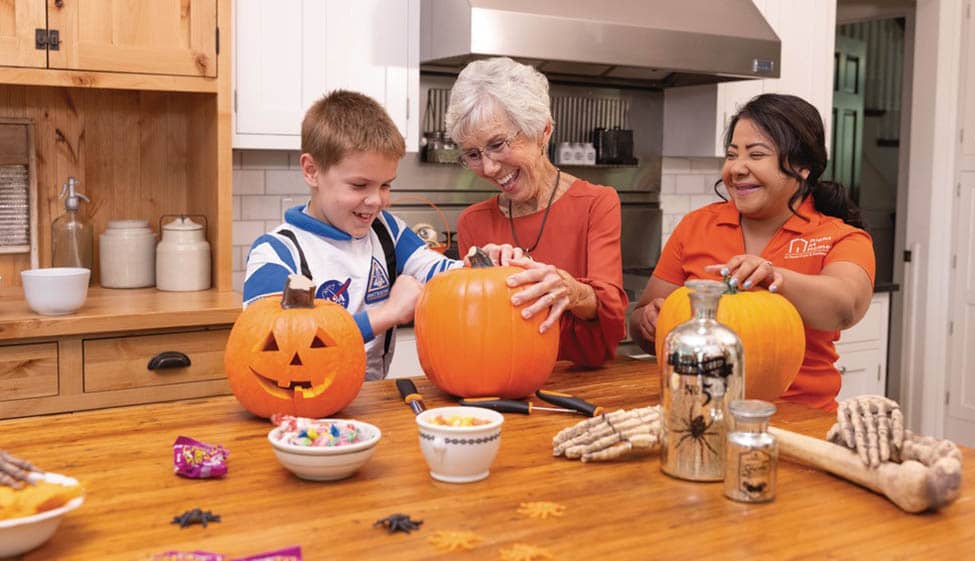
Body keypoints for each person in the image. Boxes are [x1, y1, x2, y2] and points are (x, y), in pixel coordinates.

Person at [630, 94, 875, 412]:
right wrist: (648, 323)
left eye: (756, 155)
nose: (737, 168)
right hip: (699, 412)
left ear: (802, 168)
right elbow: (641, 319)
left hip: (801, 419)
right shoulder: (697, 225)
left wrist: (776, 278)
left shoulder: (839, 237)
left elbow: (846, 306)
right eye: (732, 155)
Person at [243, 90, 463, 380]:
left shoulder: (388, 231)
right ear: (312, 171)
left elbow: (442, 273)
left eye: (386, 185)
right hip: (302, 405)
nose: (377, 201)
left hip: (372, 403)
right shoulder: (276, 252)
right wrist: (387, 314)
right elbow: (272, 341)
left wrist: (485, 266)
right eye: (360, 185)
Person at [448, 57, 628, 368]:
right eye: (473, 154)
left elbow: (610, 319)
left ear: (543, 131)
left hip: (581, 385)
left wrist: (570, 290)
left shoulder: (597, 203)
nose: (489, 168)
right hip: (502, 387)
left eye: (498, 144)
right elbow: (475, 330)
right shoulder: (473, 223)